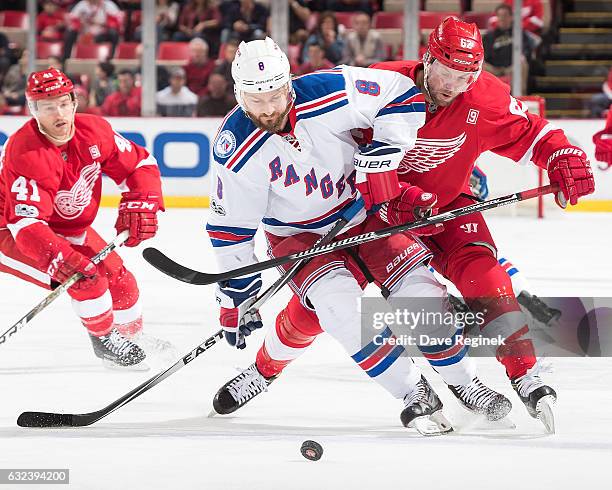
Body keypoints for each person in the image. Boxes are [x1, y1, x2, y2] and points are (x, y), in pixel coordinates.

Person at [263, 17, 595, 432]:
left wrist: (561, 155)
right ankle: (263, 369)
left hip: (448, 207)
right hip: (371, 212)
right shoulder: (378, 84)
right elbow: (314, 119)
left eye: (466, 76)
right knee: (326, 305)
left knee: (484, 277)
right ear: (428, 59)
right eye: (448, 73)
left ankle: (523, 373)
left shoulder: (484, 96)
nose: (454, 85)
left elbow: (534, 135)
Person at [207, 37, 511, 434]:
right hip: (299, 238)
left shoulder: (329, 89)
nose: (267, 110)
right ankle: (412, 392)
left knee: (420, 297)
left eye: (275, 96)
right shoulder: (234, 146)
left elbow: (402, 95)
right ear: (237, 93)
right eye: (255, 99)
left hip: (363, 214)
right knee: (338, 311)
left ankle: (465, 383)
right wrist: (237, 295)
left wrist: (381, 161)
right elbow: (232, 231)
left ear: (289, 83)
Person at [0, 68, 169, 368]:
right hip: (12, 232)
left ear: (75, 103)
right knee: (87, 278)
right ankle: (104, 340)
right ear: (33, 111)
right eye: (48, 107)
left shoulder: (94, 132)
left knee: (119, 278)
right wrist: (60, 258)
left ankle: (133, 335)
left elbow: (140, 163)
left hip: (66, 225)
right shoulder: (26, 151)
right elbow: (26, 225)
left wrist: (142, 200)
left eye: (64, 103)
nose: (59, 114)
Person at [483, 3, 533, 95]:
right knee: (480, 65)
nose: (502, 18)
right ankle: (482, 98)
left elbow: (526, 50)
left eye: (505, 15)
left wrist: (516, 62)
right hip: (493, 68)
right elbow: (484, 54)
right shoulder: (488, 36)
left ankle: (520, 97)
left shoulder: (520, 34)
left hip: (512, 67)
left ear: (511, 17)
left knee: (523, 63)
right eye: (500, 16)